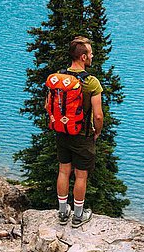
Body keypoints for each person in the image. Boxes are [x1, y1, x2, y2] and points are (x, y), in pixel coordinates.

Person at [55, 36, 103, 228]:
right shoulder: (91, 82)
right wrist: (97, 132)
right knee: (81, 175)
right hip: (82, 136)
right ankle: (78, 216)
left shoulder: (58, 77)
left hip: (62, 132)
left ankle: (62, 211)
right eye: (90, 53)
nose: (92, 56)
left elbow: (47, 105)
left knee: (63, 171)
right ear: (83, 57)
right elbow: (98, 115)